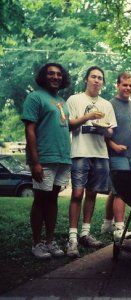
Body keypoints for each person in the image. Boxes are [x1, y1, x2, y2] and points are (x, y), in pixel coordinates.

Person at [22, 63, 71, 259]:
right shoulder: (35, 97)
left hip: (62, 158)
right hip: (44, 158)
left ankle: (50, 242)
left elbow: (65, 125)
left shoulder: (61, 100)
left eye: (59, 74)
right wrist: (35, 162)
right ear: (43, 76)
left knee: (52, 200)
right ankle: (37, 244)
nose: (55, 77)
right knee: (40, 200)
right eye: (51, 73)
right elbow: (30, 130)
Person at [66, 66, 117, 258]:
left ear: (103, 83)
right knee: (77, 193)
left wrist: (105, 130)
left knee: (92, 193)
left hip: (100, 153)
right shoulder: (75, 100)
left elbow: (111, 130)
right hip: (80, 151)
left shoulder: (106, 105)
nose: (97, 80)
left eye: (100, 78)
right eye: (93, 77)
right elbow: (70, 124)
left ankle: (85, 233)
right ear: (86, 80)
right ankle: (72, 237)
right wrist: (88, 117)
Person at [101, 72, 131, 241]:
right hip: (116, 154)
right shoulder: (109, 105)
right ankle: (119, 228)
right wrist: (113, 145)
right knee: (120, 192)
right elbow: (102, 130)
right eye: (125, 85)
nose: (128, 88)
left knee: (115, 190)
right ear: (118, 85)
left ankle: (107, 223)